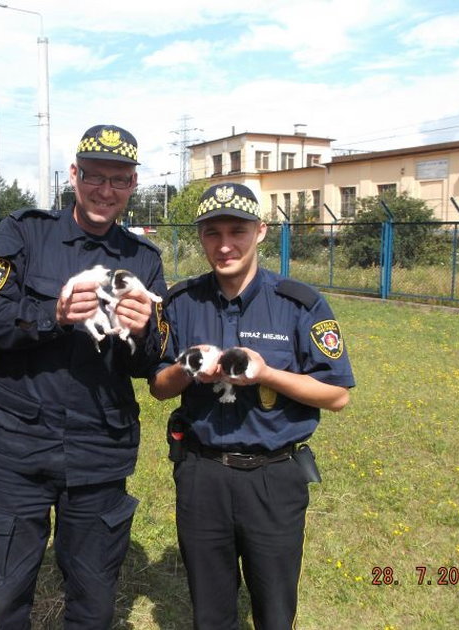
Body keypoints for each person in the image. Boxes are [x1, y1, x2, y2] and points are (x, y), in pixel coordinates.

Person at [0, 124, 168, 629]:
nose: (105, 191)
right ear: (73, 175)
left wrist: (143, 334)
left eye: (119, 180)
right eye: (95, 177)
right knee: (0, 595)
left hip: (99, 449)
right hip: (16, 446)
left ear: (133, 185)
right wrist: (50, 315)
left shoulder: (144, 259)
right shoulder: (25, 233)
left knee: (94, 599)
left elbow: (155, 357)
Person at [150, 183, 355, 629]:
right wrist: (188, 367)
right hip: (202, 475)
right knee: (210, 609)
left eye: (237, 231)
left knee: (275, 609)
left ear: (261, 231)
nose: (225, 245)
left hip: (273, 477)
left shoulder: (299, 304)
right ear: (200, 236)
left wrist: (266, 374)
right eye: (212, 233)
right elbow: (159, 387)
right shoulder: (181, 303)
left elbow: (337, 395)